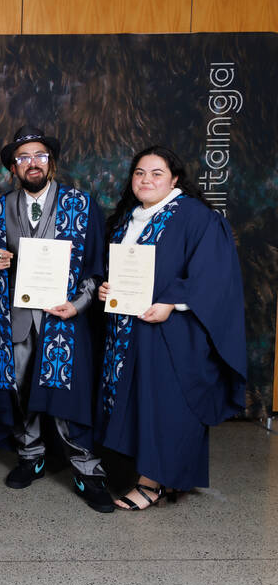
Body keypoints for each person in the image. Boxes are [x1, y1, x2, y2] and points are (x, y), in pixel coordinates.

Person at [0, 126, 114, 513]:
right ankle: (30, 454)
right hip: (15, 317)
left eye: (39, 155)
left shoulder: (81, 205)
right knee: (19, 388)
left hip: (63, 318)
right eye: (22, 158)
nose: (31, 163)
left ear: (51, 162)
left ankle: (87, 470)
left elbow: (96, 267)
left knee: (69, 391)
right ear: (12, 168)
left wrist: (80, 304)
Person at [98, 146, 246, 510]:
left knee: (165, 406)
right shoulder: (127, 219)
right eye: (139, 173)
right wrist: (107, 286)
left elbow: (214, 273)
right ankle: (162, 476)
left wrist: (172, 302)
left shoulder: (195, 218)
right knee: (141, 403)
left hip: (173, 333)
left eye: (157, 173)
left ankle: (152, 483)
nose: (146, 180)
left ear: (175, 178)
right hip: (129, 331)